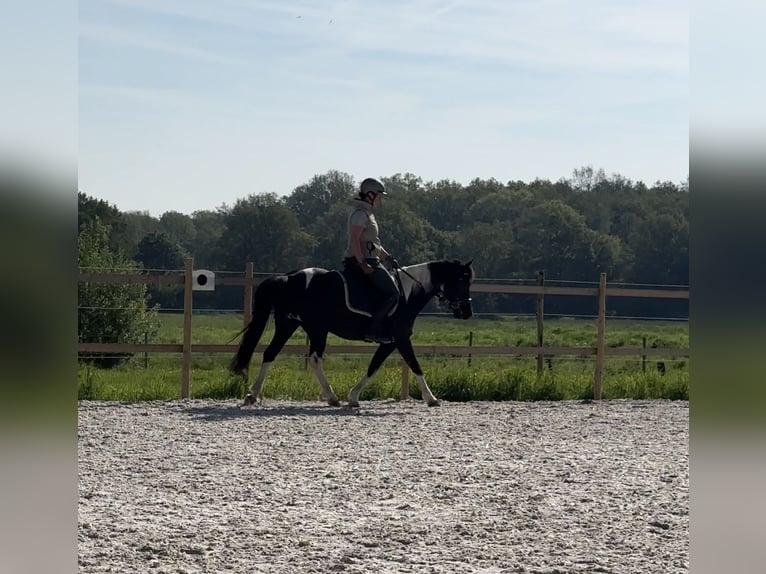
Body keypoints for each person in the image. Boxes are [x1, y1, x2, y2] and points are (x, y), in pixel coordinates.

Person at [343, 177, 399, 343]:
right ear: (370, 195)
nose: (380, 200)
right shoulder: (360, 214)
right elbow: (354, 241)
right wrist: (362, 263)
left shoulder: (368, 214)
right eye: (379, 196)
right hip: (361, 261)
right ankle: (373, 330)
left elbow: (372, 244)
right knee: (393, 293)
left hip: (371, 259)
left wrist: (387, 257)